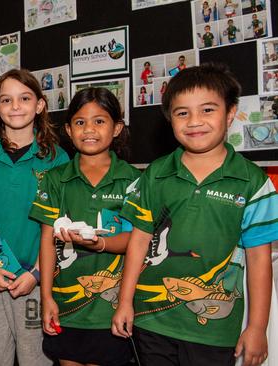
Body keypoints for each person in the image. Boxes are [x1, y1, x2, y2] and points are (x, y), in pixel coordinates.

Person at [112, 64, 277, 366]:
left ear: (230, 114)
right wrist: (124, 302)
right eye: (182, 113)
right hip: (152, 320)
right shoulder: (155, 174)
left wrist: (256, 328)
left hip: (213, 329)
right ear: (170, 119)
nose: (194, 122)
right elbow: (138, 241)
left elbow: (259, 258)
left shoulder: (253, 182)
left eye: (207, 110)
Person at [0, 69, 69, 366]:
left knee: (34, 358)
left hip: (36, 279)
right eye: (6, 100)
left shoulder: (57, 159)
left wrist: (37, 273)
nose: (15, 107)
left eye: (24, 98)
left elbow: (58, 225)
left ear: (39, 105)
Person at [31, 87, 139, 366]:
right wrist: (46, 298)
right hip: (66, 306)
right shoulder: (55, 179)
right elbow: (46, 240)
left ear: (116, 128)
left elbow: (135, 240)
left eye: (99, 121)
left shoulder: (132, 179)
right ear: (68, 129)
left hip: (111, 308)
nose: (89, 129)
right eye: (80, 122)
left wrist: (99, 243)